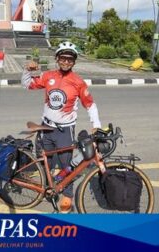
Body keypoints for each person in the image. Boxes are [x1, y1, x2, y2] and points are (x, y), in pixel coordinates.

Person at [22, 41, 101, 213]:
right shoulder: (48, 76)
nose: (66, 62)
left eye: (70, 59)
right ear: (57, 59)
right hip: (45, 127)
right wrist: (27, 70)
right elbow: (27, 84)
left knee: (67, 166)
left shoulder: (78, 82)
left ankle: (67, 197)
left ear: (74, 62)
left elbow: (90, 104)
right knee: (46, 163)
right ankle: (47, 188)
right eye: (63, 58)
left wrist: (96, 125)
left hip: (65, 130)